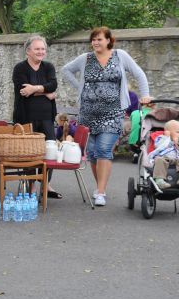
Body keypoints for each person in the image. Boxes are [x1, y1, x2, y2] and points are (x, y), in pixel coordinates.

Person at [62, 26, 151, 206]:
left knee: (104, 150)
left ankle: (101, 192)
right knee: (93, 154)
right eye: (93, 39)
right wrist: (80, 86)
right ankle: (99, 186)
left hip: (113, 112)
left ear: (109, 40)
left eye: (99, 39)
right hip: (88, 113)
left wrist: (145, 94)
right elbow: (66, 70)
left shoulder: (120, 56)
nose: (95, 42)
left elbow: (139, 74)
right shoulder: (86, 59)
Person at [12, 35, 63, 199]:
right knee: (29, 154)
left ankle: (46, 184)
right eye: (37, 49)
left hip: (47, 117)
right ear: (28, 51)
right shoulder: (20, 68)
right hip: (26, 117)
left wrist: (35, 88)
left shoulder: (48, 67)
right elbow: (23, 91)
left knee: (49, 152)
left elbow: (53, 84)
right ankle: (31, 185)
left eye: (43, 49)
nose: (41, 52)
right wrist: (45, 91)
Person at [148, 120, 179, 189]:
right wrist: (167, 138)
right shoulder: (161, 138)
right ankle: (159, 180)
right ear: (167, 132)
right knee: (159, 160)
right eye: (178, 132)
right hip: (164, 157)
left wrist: (178, 145)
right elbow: (159, 146)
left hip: (176, 159)